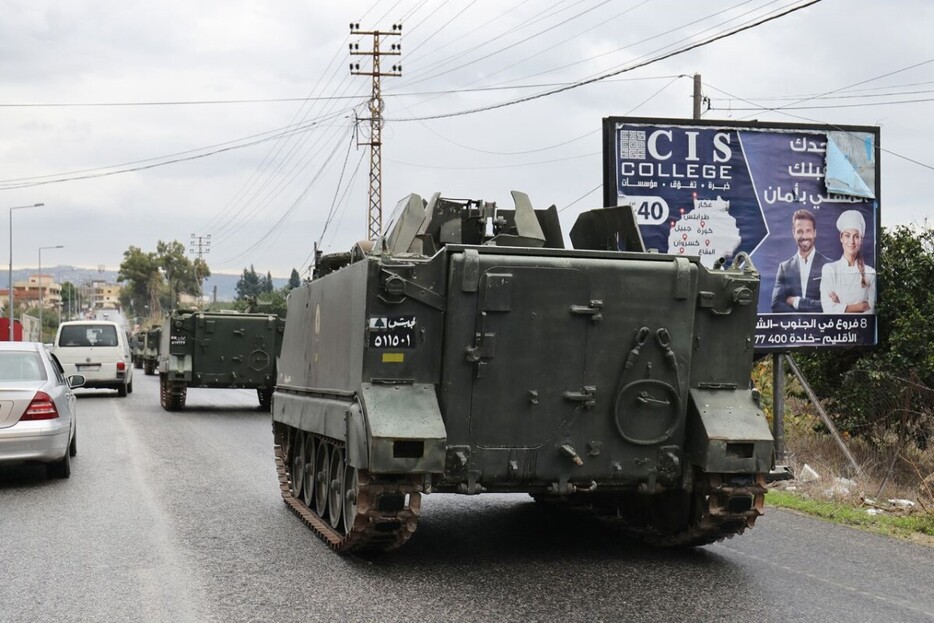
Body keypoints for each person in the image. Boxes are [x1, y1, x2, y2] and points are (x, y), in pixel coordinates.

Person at [771, 209, 829, 312]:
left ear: (815, 232)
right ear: (794, 233)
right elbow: (776, 305)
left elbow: (831, 305)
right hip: (793, 326)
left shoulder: (829, 265)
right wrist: (799, 319)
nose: (804, 236)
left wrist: (796, 301)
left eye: (808, 231)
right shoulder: (785, 268)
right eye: (800, 231)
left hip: (821, 326)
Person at [820, 210, 876, 314]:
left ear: (861, 240)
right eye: (847, 235)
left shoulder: (870, 273)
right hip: (836, 328)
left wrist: (840, 306)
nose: (852, 241)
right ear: (841, 238)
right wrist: (862, 306)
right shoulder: (829, 269)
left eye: (856, 236)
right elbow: (828, 309)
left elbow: (871, 310)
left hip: (861, 329)